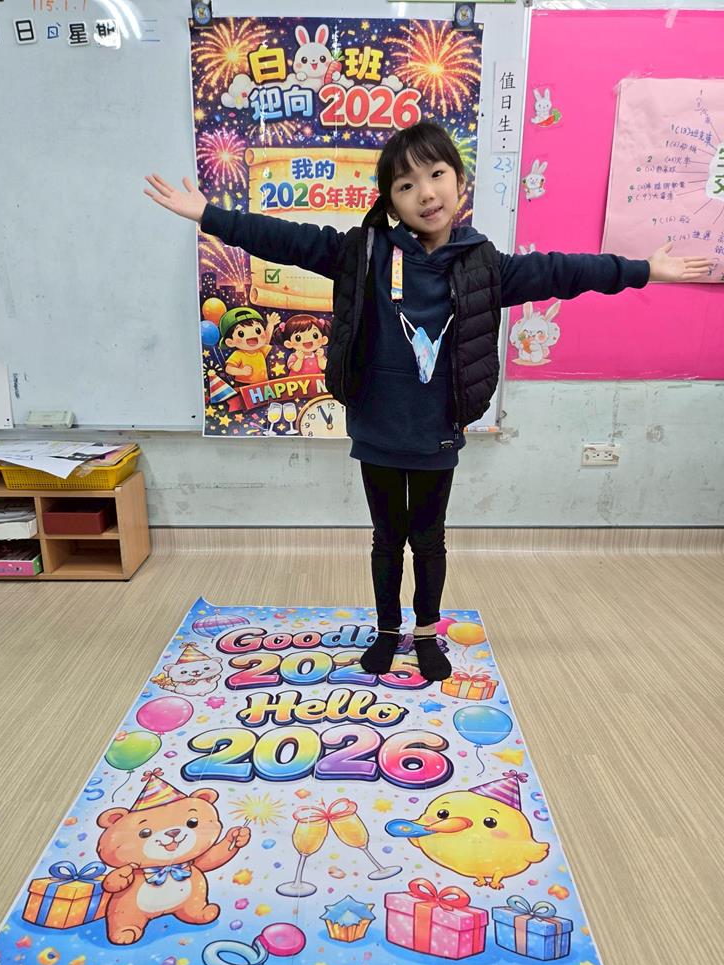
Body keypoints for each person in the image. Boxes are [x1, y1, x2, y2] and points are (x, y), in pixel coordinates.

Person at [145, 121, 713, 682]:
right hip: (378, 427)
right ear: (391, 201)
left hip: (437, 429)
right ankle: (387, 630)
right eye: (406, 184)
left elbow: (563, 271)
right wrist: (209, 216)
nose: (426, 193)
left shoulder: (483, 265)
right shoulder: (363, 254)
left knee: (430, 539)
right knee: (386, 539)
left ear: (459, 182)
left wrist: (645, 269)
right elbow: (287, 240)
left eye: (437, 174)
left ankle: (424, 632)